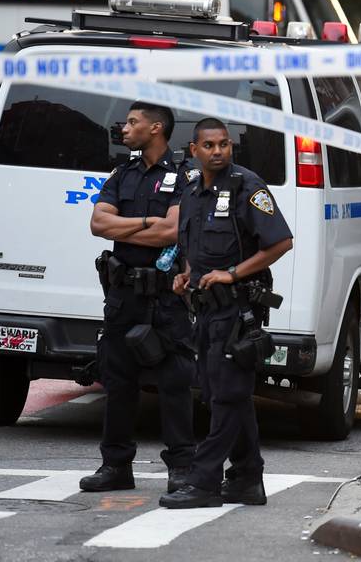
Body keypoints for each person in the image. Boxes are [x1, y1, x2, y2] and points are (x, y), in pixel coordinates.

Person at [160, 118, 293, 509]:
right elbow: (193, 247)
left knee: (227, 397)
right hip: (206, 311)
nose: (217, 151)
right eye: (209, 145)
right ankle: (247, 478)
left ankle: (203, 482)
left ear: (230, 147)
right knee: (225, 394)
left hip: (238, 311)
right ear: (195, 150)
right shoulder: (191, 191)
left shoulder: (247, 187)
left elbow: (281, 242)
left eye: (224, 145)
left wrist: (231, 273)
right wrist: (185, 275)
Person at [82, 102, 195, 493]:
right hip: (123, 294)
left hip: (165, 297)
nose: (125, 128)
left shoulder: (184, 175)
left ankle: (181, 468)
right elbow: (98, 223)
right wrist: (148, 222)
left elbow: (172, 232)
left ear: (156, 128)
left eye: (133, 122)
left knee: (175, 383)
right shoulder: (122, 173)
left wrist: (128, 228)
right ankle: (115, 466)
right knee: (117, 382)